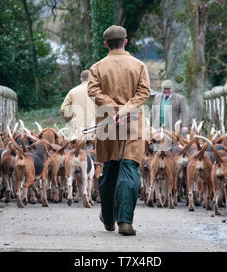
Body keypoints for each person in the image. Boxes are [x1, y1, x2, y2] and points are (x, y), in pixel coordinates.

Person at [88, 25, 150, 236]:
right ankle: (125, 221)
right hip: (132, 126)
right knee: (129, 170)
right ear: (126, 41)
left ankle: (107, 218)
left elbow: (93, 91)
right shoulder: (139, 65)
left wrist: (114, 110)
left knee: (110, 170)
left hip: (106, 126)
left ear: (106, 44)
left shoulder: (96, 67)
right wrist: (125, 110)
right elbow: (144, 92)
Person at [60, 70, 96, 137]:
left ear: (81, 79)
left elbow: (63, 109)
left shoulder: (72, 91)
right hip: (95, 128)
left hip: (78, 130)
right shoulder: (97, 91)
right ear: (91, 78)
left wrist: (71, 122)